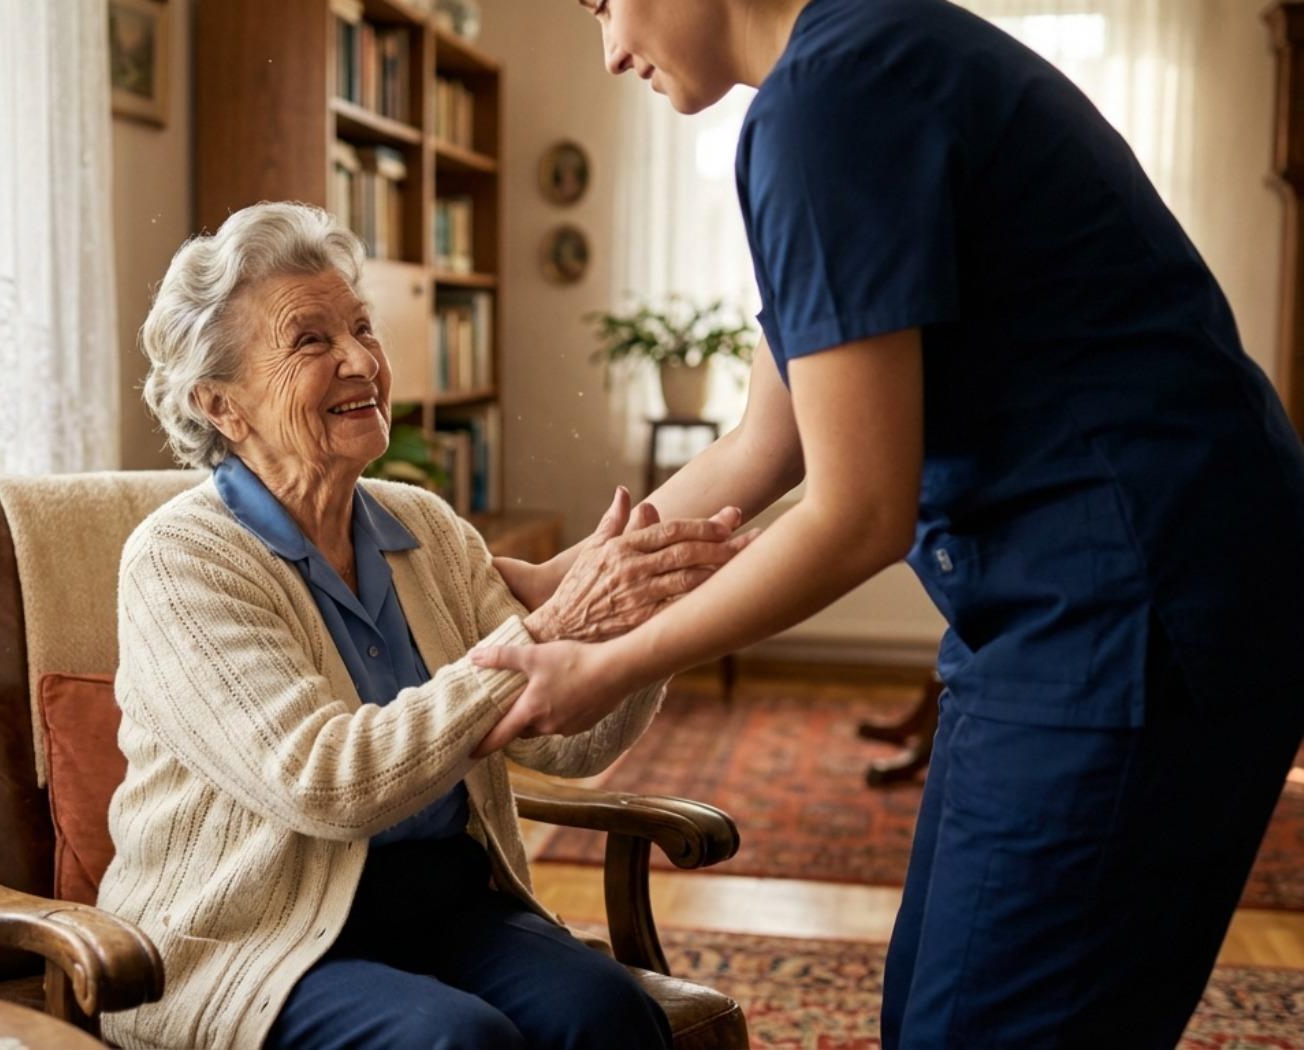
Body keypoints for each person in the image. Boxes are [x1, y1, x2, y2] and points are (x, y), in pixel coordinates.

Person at [479, 2, 1304, 1046]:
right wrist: (563, 580)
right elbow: (760, 448)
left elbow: (856, 514)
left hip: (1134, 606)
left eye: (604, 3)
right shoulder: (840, 72)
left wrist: (610, 663)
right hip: (1069, 604)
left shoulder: (827, 103)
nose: (608, 53)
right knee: (931, 1001)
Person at [97, 201, 755, 1050]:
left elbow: (563, 746)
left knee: (609, 1015)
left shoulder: (426, 526)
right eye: (311, 341)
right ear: (222, 404)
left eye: (362, 327)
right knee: (452, 1043)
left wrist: (640, 619)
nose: (360, 360)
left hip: (444, 901)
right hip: (252, 937)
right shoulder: (181, 561)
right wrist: (552, 624)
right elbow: (323, 781)